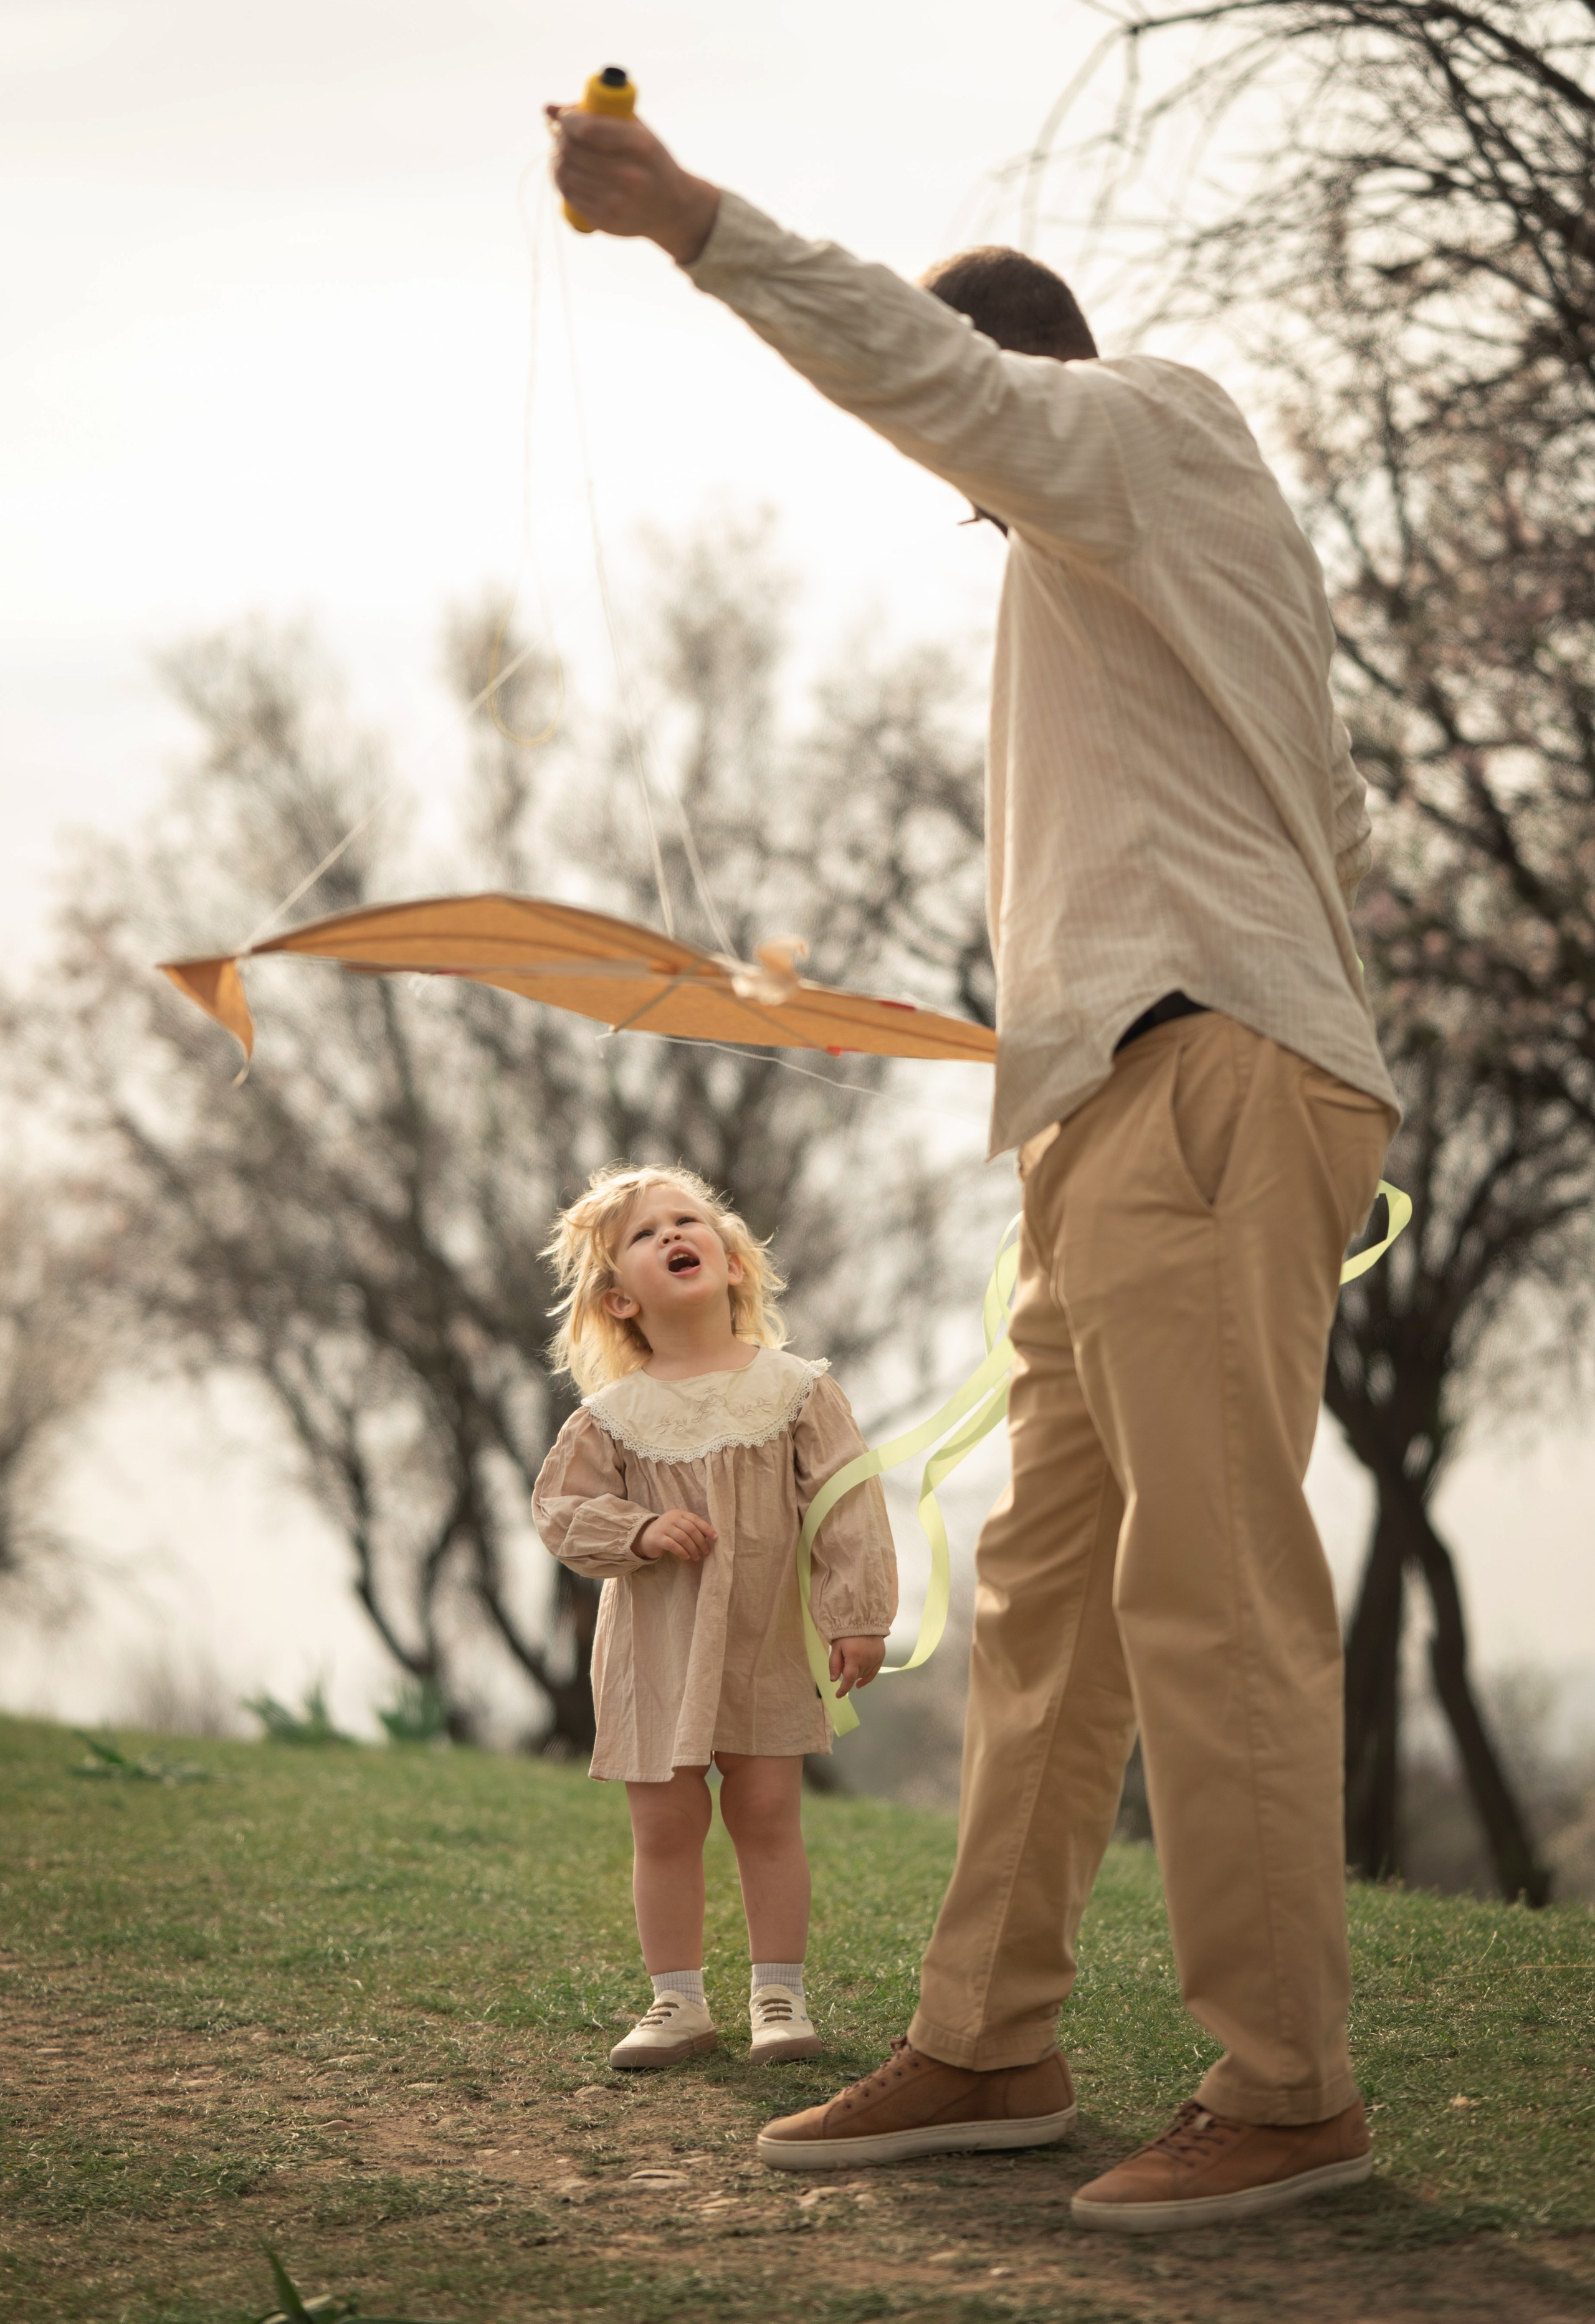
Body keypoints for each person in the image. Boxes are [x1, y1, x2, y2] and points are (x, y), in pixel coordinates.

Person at [545, 99, 1402, 2231]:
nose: (963, 490)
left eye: (969, 453)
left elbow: (931, 373)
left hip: (1204, 1094)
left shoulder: (1141, 428)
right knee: (1043, 1607)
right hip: (1128, 1101)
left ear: (1020, 391)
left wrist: (684, 222)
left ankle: (1289, 2085)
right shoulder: (1144, 572)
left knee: (1212, 1600)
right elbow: (1321, 844)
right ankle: (989, 2037)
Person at [532, 1163, 896, 2072]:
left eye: (687, 1221)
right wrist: (643, 1527)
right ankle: (676, 2002)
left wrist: (856, 1613)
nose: (673, 1236)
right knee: (663, 1824)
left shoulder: (795, 1389)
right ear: (619, 1300)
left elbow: (849, 1504)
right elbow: (561, 1512)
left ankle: (779, 1994)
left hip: (765, 1638)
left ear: (733, 1262)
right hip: (657, 1650)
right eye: (647, 1236)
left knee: (769, 1810)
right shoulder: (613, 1416)